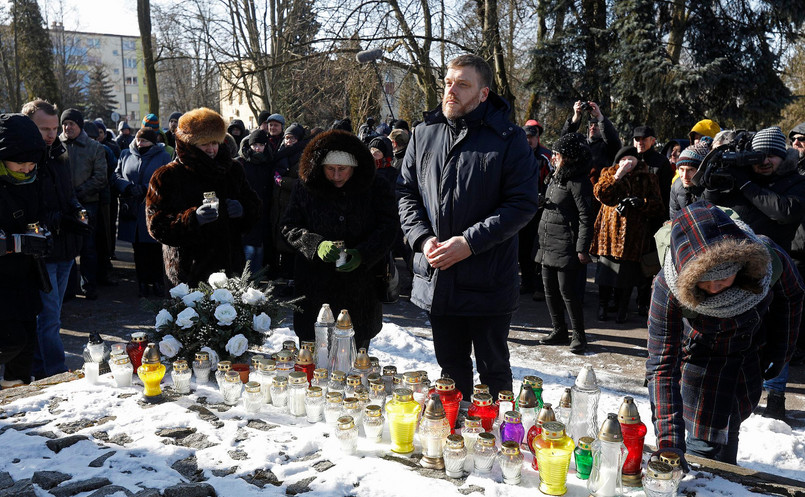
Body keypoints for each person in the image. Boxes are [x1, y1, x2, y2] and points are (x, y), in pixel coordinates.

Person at [397, 54, 540, 399]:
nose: (452, 90)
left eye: (463, 84)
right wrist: (422, 238)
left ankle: (498, 443)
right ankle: (454, 436)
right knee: (450, 369)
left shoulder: (509, 139)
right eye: (448, 82)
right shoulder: (424, 133)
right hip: (438, 278)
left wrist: (468, 243)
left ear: (483, 93)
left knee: (493, 371)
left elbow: (522, 204)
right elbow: (406, 193)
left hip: (487, 281)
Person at [647, 201, 803, 464]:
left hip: (746, 366)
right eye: (705, 281)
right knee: (702, 457)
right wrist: (670, 444)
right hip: (700, 374)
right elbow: (661, 366)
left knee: (729, 436)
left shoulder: (765, 260)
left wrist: (781, 350)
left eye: (725, 277)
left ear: (741, 266)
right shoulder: (668, 285)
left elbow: (793, 295)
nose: (715, 286)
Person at [281, 129, 398, 349]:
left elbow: (389, 227)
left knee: (356, 361)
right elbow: (289, 227)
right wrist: (315, 244)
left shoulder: (376, 187)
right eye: (330, 169)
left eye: (342, 169)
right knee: (313, 360)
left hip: (360, 290)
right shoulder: (305, 188)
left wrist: (363, 253)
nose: (336, 176)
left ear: (354, 167)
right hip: (314, 289)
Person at [146, 107, 260, 286]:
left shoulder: (232, 170)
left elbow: (255, 207)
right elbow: (156, 225)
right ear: (189, 144)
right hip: (187, 274)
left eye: (215, 143)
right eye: (204, 143)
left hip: (229, 270)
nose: (211, 149)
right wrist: (191, 219)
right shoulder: (167, 175)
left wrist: (243, 210)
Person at [22, 101, 86, 380]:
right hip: (42, 250)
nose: (50, 134)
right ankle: (57, 373)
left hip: (65, 247)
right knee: (49, 319)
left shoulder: (59, 153)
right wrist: (60, 218)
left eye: (54, 127)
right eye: (43, 128)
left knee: (51, 316)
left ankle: (41, 369)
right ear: (28, 127)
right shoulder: (22, 158)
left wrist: (77, 210)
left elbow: (67, 192)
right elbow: (26, 209)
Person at [0, 113, 48, 387]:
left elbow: (42, 215)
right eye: (20, 162)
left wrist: (45, 234)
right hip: (2, 284)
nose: (27, 169)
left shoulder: (32, 180)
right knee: (10, 341)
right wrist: (16, 243)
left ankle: (15, 396)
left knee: (26, 345)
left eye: (32, 163)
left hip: (26, 278)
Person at [535, 133, 594, 354]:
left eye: (557, 154)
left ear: (568, 157)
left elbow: (586, 217)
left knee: (568, 292)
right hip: (547, 240)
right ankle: (559, 330)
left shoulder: (579, 182)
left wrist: (582, 248)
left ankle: (579, 335)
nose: (553, 158)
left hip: (567, 245)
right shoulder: (556, 177)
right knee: (549, 290)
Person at [703, 126, 805, 252]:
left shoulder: (796, 181)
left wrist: (746, 185)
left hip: (773, 259)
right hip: (731, 255)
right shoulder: (742, 176)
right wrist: (711, 188)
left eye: (771, 156)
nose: (764, 161)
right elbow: (708, 209)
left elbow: (786, 212)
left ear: (783, 157)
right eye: (759, 156)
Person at [590, 146, 663, 323]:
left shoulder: (648, 177)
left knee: (628, 276)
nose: (627, 162)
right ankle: (603, 306)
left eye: (631, 159)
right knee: (605, 274)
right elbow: (600, 194)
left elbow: (658, 205)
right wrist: (618, 176)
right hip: (609, 235)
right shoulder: (608, 173)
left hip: (634, 236)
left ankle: (623, 308)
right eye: (623, 159)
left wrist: (641, 203)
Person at [115, 128, 171, 297]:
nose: (140, 143)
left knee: (154, 248)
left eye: (145, 141)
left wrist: (146, 188)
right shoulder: (126, 153)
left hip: (152, 208)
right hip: (132, 208)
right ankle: (142, 282)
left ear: (153, 142)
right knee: (138, 249)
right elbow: (116, 175)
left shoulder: (163, 156)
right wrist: (127, 187)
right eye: (139, 140)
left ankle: (156, 282)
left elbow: (166, 179)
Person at [60, 108, 107, 300]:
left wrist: (79, 193)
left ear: (79, 125)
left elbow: (101, 177)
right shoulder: (56, 145)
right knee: (65, 249)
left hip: (87, 204)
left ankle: (89, 286)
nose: (67, 127)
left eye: (71, 123)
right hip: (62, 205)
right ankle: (69, 289)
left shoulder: (94, 147)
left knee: (88, 248)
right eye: (65, 124)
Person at [520, 119, 552, 300]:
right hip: (521, 210)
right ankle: (526, 281)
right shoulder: (517, 154)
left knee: (538, 248)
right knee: (522, 248)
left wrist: (543, 197)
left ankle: (540, 286)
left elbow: (551, 182)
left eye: (532, 137)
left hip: (540, 211)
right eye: (525, 137)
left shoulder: (545, 157)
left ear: (538, 137)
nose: (528, 140)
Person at [238, 129, 275, 272]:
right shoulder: (242, 163)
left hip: (264, 211)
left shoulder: (269, 163)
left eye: (261, 145)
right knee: (249, 249)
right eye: (255, 145)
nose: (257, 148)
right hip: (246, 211)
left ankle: (256, 281)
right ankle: (245, 281)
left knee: (259, 249)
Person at [560, 100, 622, 186]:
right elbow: (563, 142)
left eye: (596, 125)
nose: (592, 128)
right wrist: (576, 117)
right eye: (591, 125)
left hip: (598, 188)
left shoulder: (607, 146)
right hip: (577, 188)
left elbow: (612, 140)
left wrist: (600, 116)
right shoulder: (580, 143)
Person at [669, 142, 710, 219]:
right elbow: (674, 219)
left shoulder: (711, 188)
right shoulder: (676, 186)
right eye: (681, 169)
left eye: (690, 170)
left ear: (701, 171)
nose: (684, 176)